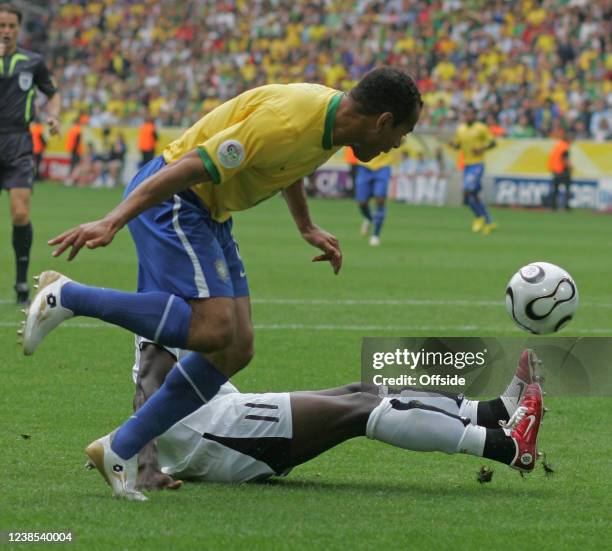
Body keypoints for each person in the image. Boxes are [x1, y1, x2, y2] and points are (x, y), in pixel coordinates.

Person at [21, 67, 423, 499]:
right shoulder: (289, 120)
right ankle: (66, 295)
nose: (396, 145)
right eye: (401, 134)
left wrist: (306, 226)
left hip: (211, 214)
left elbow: (286, 165)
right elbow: (192, 164)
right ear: (382, 121)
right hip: (176, 200)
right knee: (212, 328)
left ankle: (122, 446)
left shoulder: (330, 123)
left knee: (236, 346)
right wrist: (114, 220)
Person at [100, 347, 544, 497]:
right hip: (217, 436)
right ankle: (507, 448)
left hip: (221, 417)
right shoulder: (170, 284)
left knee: (363, 390)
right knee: (360, 413)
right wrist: (145, 460)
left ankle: (492, 414)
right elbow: (151, 380)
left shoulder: (184, 275)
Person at [0, 3, 60, 304]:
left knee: (21, 213)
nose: (6, 31)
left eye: (11, 26)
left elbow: (53, 92)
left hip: (18, 142)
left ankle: (22, 283)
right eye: (1, 26)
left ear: (19, 29)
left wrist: (52, 116)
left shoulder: (32, 61)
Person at [449, 105, 497, 235]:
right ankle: (489, 221)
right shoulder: (461, 129)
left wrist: (482, 149)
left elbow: (493, 143)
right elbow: (458, 144)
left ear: (475, 115)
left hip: (478, 164)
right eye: (466, 114)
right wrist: (452, 144)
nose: (468, 116)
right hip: (467, 165)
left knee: (468, 190)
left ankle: (479, 217)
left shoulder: (481, 128)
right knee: (473, 195)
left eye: (471, 114)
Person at [354, 148, 394, 246]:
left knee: (380, 198)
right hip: (365, 165)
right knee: (362, 202)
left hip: (383, 166)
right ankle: (369, 218)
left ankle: (375, 235)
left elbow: (402, 139)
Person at [548, 132, 572, 211]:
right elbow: (565, 159)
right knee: (567, 189)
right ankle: (566, 206)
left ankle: (553, 206)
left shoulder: (558, 145)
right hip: (562, 170)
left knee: (555, 189)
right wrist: (570, 167)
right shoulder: (564, 147)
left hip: (555, 170)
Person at [64, 117, 83, 187]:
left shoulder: (74, 129)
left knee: (74, 165)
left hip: (74, 150)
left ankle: (71, 180)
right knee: (75, 165)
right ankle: (72, 179)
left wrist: (73, 149)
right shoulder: (77, 129)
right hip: (76, 150)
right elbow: (77, 140)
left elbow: (75, 140)